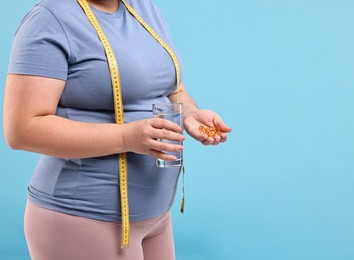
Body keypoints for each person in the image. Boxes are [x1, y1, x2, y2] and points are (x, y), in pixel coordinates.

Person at [3, 0, 231, 259]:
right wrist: (127, 137)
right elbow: (21, 129)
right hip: (85, 217)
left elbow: (170, 88)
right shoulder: (49, 18)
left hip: (154, 218)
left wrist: (189, 112)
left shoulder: (142, 7)